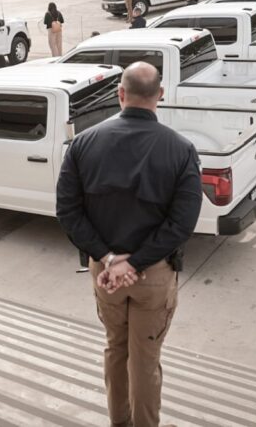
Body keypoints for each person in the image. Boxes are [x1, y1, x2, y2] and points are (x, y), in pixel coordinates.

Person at [56, 61, 202, 427]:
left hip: (105, 275)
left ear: (120, 95)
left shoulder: (82, 144)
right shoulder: (181, 150)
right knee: (145, 359)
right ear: (161, 96)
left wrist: (108, 258)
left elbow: (68, 212)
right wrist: (134, 264)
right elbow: (182, 223)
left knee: (115, 349)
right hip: (152, 275)